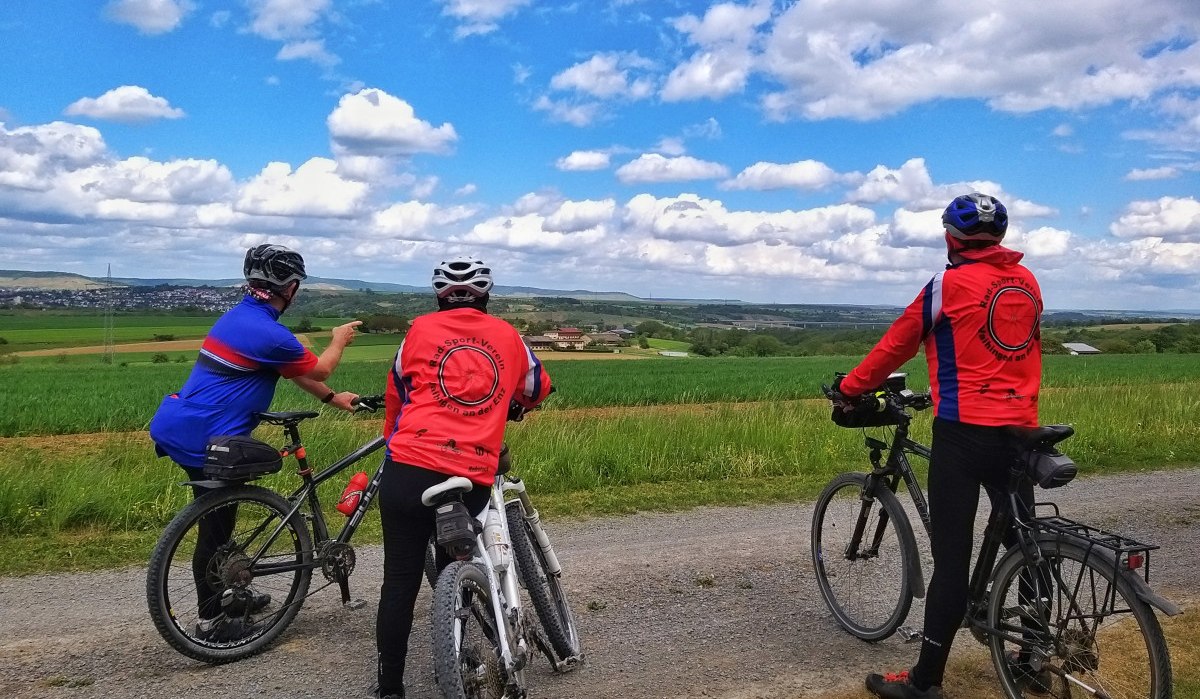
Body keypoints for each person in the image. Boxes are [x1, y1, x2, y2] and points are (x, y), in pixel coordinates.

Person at [834, 194, 1044, 699]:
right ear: (1000, 238)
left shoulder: (947, 284)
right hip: (1019, 427)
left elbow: (897, 343)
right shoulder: (1027, 280)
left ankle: (925, 681)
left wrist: (851, 388)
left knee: (953, 558)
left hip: (964, 430)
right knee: (1027, 544)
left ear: (951, 238)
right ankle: (1034, 654)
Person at [149, 243, 362, 640]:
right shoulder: (268, 331)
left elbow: (292, 370)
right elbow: (320, 367)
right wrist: (338, 339)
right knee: (213, 531)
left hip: (183, 426)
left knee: (218, 525)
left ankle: (230, 595)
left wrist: (331, 399)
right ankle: (214, 621)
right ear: (292, 288)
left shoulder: (242, 319)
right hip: (206, 436)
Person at [374, 256, 552, 699]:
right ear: (486, 296)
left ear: (438, 296)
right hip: (470, 473)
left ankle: (389, 687)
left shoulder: (417, 332)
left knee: (399, 580)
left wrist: (395, 444)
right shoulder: (508, 337)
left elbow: (397, 396)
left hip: (406, 468)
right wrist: (514, 405)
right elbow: (537, 389)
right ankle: (470, 627)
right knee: (459, 554)